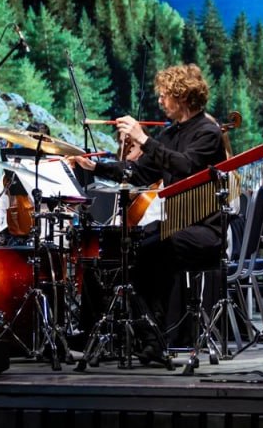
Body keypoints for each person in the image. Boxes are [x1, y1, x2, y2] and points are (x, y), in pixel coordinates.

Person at [71, 63, 227, 347]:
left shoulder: (209, 132)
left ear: (182, 96)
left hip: (204, 229)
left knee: (153, 247)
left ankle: (150, 337)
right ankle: (99, 335)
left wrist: (143, 138)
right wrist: (95, 167)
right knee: (115, 248)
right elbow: (139, 174)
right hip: (175, 226)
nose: (160, 100)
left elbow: (186, 167)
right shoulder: (169, 134)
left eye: (164, 94)